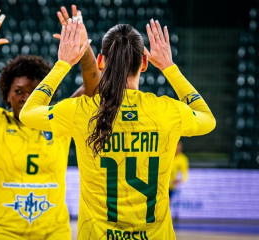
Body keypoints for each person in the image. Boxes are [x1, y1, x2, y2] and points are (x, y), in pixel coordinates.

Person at [20, 19, 216, 239]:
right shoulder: (167, 110)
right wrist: (170, 68)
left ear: (101, 62)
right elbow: (208, 119)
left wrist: (63, 63)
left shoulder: (82, 110)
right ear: (143, 63)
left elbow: (27, 113)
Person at [0, 5, 99, 239]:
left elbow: (94, 92)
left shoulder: (60, 117)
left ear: (47, 91)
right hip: (2, 231)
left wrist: (84, 50)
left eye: (34, 90)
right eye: (18, 91)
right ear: (7, 94)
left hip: (54, 231)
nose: (26, 97)